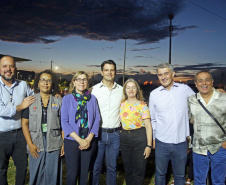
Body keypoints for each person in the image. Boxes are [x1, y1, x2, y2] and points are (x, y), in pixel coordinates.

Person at [149, 63, 194, 185]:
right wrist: (153, 139)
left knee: (179, 176)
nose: (163, 77)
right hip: (161, 141)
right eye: (160, 75)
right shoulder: (154, 94)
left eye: (166, 73)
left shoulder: (185, 89)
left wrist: (215, 91)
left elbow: (199, 102)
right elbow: (152, 119)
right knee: (160, 174)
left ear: (172, 74)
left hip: (180, 142)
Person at [21, 70, 64, 185]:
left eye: (49, 80)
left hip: (54, 142)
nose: (45, 83)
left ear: (53, 83)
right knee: (36, 173)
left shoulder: (59, 102)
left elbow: (63, 125)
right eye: (42, 80)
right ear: (38, 83)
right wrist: (30, 144)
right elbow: (24, 123)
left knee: (53, 174)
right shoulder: (30, 101)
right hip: (36, 142)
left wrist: (63, 143)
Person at [0, 56, 35, 185]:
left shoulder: (23, 85)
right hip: (1, 135)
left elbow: (33, 98)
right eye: (4, 66)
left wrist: (49, 96)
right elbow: (1, 110)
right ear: (0, 68)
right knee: (1, 169)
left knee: (22, 167)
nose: (8, 69)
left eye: (11, 66)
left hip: (20, 134)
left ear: (15, 68)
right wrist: (21, 106)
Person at [61, 71, 100, 185]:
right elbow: (64, 122)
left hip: (89, 141)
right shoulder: (67, 99)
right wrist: (80, 140)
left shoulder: (92, 99)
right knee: (72, 174)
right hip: (72, 142)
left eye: (84, 79)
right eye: (78, 79)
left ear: (87, 82)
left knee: (84, 175)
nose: (81, 82)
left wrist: (88, 139)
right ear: (74, 82)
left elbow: (97, 119)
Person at [188, 70, 226, 185]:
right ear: (196, 83)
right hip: (199, 148)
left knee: (218, 181)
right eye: (200, 80)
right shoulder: (191, 100)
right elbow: (191, 119)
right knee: (199, 181)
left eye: (207, 79)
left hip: (219, 147)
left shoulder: (223, 98)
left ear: (212, 82)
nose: (204, 83)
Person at [91, 59, 123, 185]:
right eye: (106, 70)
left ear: (115, 72)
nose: (109, 72)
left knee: (112, 168)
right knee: (96, 168)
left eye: (112, 70)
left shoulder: (121, 90)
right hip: (98, 133)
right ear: (101, 72)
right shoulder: (93, 90)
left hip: (115, 134)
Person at [119, 78, 152, 185]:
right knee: (128, 170)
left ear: (137, 90)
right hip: (125, 139)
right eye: (128, 87)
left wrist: (149, 145)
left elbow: (148, 126)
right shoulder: (122, 104)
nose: (131, 90)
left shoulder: (142, 105)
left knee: (138, 170)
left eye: (133, 87)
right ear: (125, 90)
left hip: (139, 138)